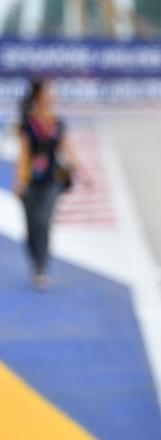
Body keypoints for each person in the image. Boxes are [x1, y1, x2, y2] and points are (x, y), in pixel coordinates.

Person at [14, 79, 84, 289]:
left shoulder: (56, 122)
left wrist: (81, 170)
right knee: (31, 225)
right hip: (31, 181)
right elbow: (24, 154)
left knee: (44, 222)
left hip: (52, 180)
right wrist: (20, 181)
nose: (53, 94)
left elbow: (65, 147)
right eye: (49, 91)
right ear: (39, 95)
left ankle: (41, 267)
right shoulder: (28, 123)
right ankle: (35, 260)